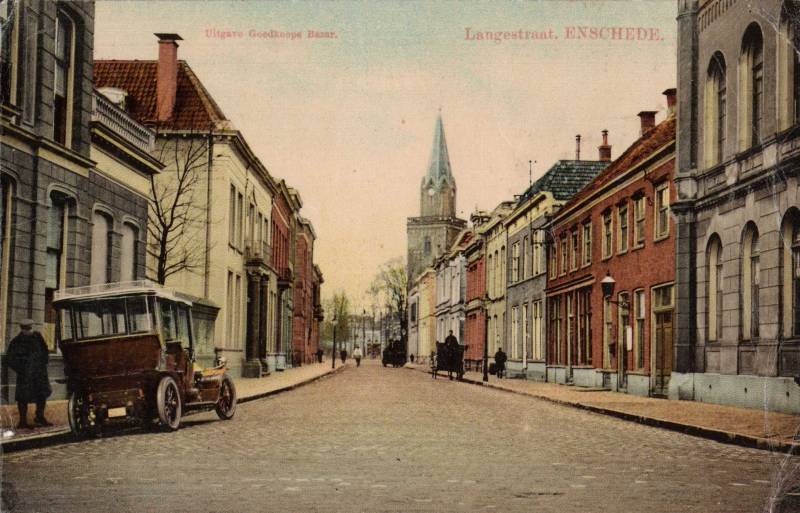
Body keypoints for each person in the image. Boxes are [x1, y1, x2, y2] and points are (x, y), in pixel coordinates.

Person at [5, 319, 52, 429]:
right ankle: (22, 421)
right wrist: (21, 369)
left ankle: (40, 417)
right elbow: (9, 359)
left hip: (39, 373)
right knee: (23, 398)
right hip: (25, 376)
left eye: (30, 328)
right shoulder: (16, 341)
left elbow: (45, 350)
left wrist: (43, 363)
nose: (28, 331)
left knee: (42, 395)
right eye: (26, 329)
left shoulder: (38, 337)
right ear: (22, 329)